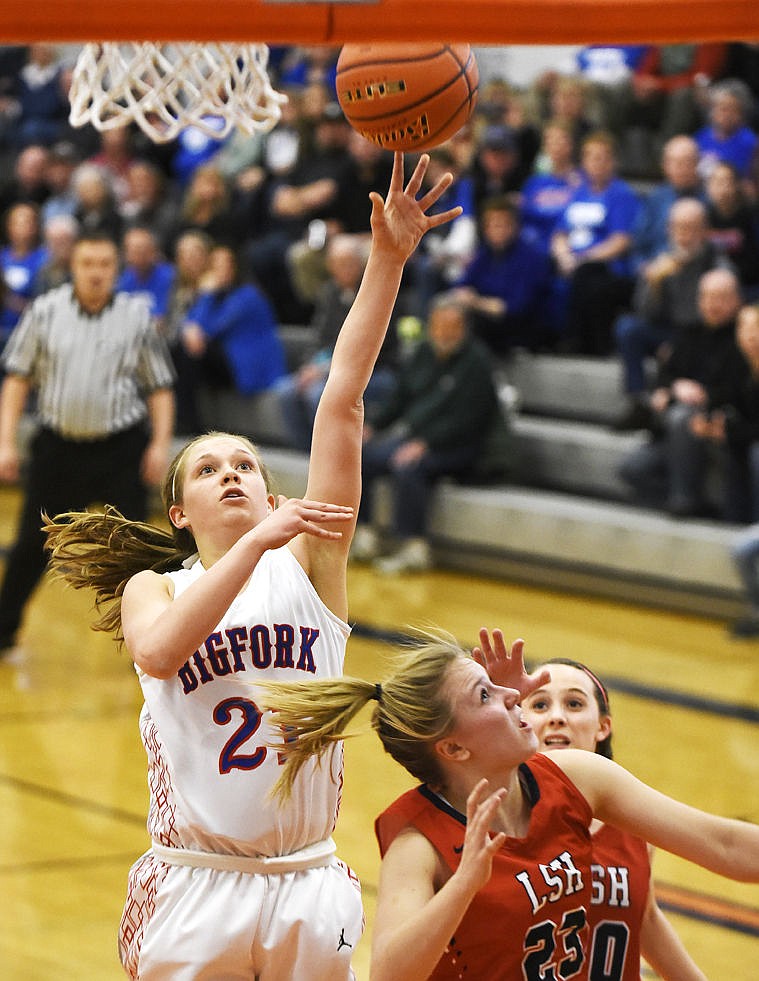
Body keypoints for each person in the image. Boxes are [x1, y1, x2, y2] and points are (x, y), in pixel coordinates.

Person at [41, 153, 462, 980]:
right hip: (197, 882)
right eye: (208, 468)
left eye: (245, 464)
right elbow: (159, 655)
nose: (232, 472)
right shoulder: (154, 586)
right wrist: (253, 544)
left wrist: (386, 261)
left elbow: (341, 396)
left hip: (306, 880)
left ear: (271, 491)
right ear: (177, 511)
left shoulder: (308, 558)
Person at [255, 627, 759, 981]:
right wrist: (464, 886)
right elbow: (389, 971)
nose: (514, 695)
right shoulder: (420, 841)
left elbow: (726, 845)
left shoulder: (575, 777)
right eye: (486, 695)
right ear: (453, 749)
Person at [0, 231, 176, 657]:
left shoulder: (136, 316)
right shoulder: (44, 312)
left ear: (116, 270)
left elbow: (160, 387)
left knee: (140, 552)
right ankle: (3, 631)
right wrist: (5, 442)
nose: (96, 272)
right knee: (32, 545)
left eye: (104, 264)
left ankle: (167, 639)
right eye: (87, 264)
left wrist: (160, 444)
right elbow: (18, 377)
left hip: (120, 450)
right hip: (58, 450)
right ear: (73, 267)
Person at [521, 656, 708, 980]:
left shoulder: (635, 823)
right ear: (519, 722)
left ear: (603, 726)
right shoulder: (497, 819)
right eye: (539, 705)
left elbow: (644, 916)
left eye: (574, 704)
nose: (556, 717)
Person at [351, 293, 500, 575]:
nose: (444, 333)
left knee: (408, 467)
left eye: (452, 326)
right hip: (417, 439)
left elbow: (470, 421)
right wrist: (372, 427)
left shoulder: (477, 363)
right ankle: (366, 534)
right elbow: (400, 399)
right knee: (363, 456)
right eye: (439, 326)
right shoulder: (422, 354)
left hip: (462, 447)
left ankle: (414, 547)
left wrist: (426, 443)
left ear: (463, 329)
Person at [618, 267, 745, 517]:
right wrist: (672, 388)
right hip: (677, 433)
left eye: (720, 297)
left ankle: (684, 499)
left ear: (737, 300)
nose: (712, 304)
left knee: (682, 416)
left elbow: (741, 387)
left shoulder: (745, 336)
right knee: (632, 469)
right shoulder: (690, 332)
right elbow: (666, 374)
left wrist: (705, 395)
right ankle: (696, 509)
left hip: (721, 427)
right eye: (707, 296)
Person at [611, 196, 732, 431]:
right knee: (628, 328)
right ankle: (639, 401)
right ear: (668, 230)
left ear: (705, 231)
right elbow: (645, 312)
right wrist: (652, 284)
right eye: (677, 228)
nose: (683, 236)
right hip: (667, 330)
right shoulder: (664, 260)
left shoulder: (717, 267)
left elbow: (715, 317)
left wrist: (678, 345)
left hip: (699, 336)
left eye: (690, 228)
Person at [274, 232, 397, 451]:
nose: (345, 270)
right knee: (285, 391)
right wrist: (311, 366)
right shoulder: (329, 293)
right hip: (329, 367)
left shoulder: (377, 292)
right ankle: (308, 456)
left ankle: (331, 456)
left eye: (350, 264)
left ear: (361, 265)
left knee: (318, 396)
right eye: (339, 264)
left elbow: (374, 349)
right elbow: (319, 338)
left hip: (372, 371)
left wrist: (326, 370)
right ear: (330, 266)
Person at [173, 243, 287, 435]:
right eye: (215, 266)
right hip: (230, 360)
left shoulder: (249, 295)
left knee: (188, 352)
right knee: (182, 350)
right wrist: (191, 328)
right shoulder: (218, 295)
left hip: (251, 366)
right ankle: (186, 421)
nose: (219, 271)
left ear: (236, 267)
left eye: (224, 265)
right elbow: (190, 324)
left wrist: (206, 294)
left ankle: (190, 425)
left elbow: (213, 327)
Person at [550, 130, 640, 355]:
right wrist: (563, 255)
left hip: (607, 269)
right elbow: (560, 233)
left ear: (613, 161)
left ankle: (577, 342)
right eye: (590, 157)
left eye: (602, 157)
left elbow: (620, 241)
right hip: (573, 263)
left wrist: (581, 259)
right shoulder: (579, 192)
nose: (596, 163)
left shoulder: (621, 194)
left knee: (587, 277)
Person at [452, 195, 553, 355]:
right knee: (447, 309)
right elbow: (461, 286)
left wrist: (477, 302)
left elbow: (515, 308)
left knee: (475, 324)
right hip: (488, 318)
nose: (496, 230)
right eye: (491, 225)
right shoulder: (485, 254)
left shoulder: (532, 258)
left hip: (521, 329)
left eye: (502, 224)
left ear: (515, 226)